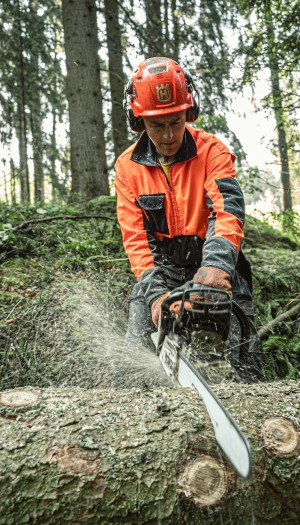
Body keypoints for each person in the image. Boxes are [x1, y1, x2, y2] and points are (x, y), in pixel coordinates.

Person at [115, 57, 263, 382]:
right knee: (127, 374)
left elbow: (226, 211)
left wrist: (217, 267)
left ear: (188, 113)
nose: (168, 135)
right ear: (139, 121)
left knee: (246, 368)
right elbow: (137, 239)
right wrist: (155, 296)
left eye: (176, 121)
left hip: (213, 265)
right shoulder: (127, 168)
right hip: (162, 270)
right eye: (158, 124)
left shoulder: (212, 152)